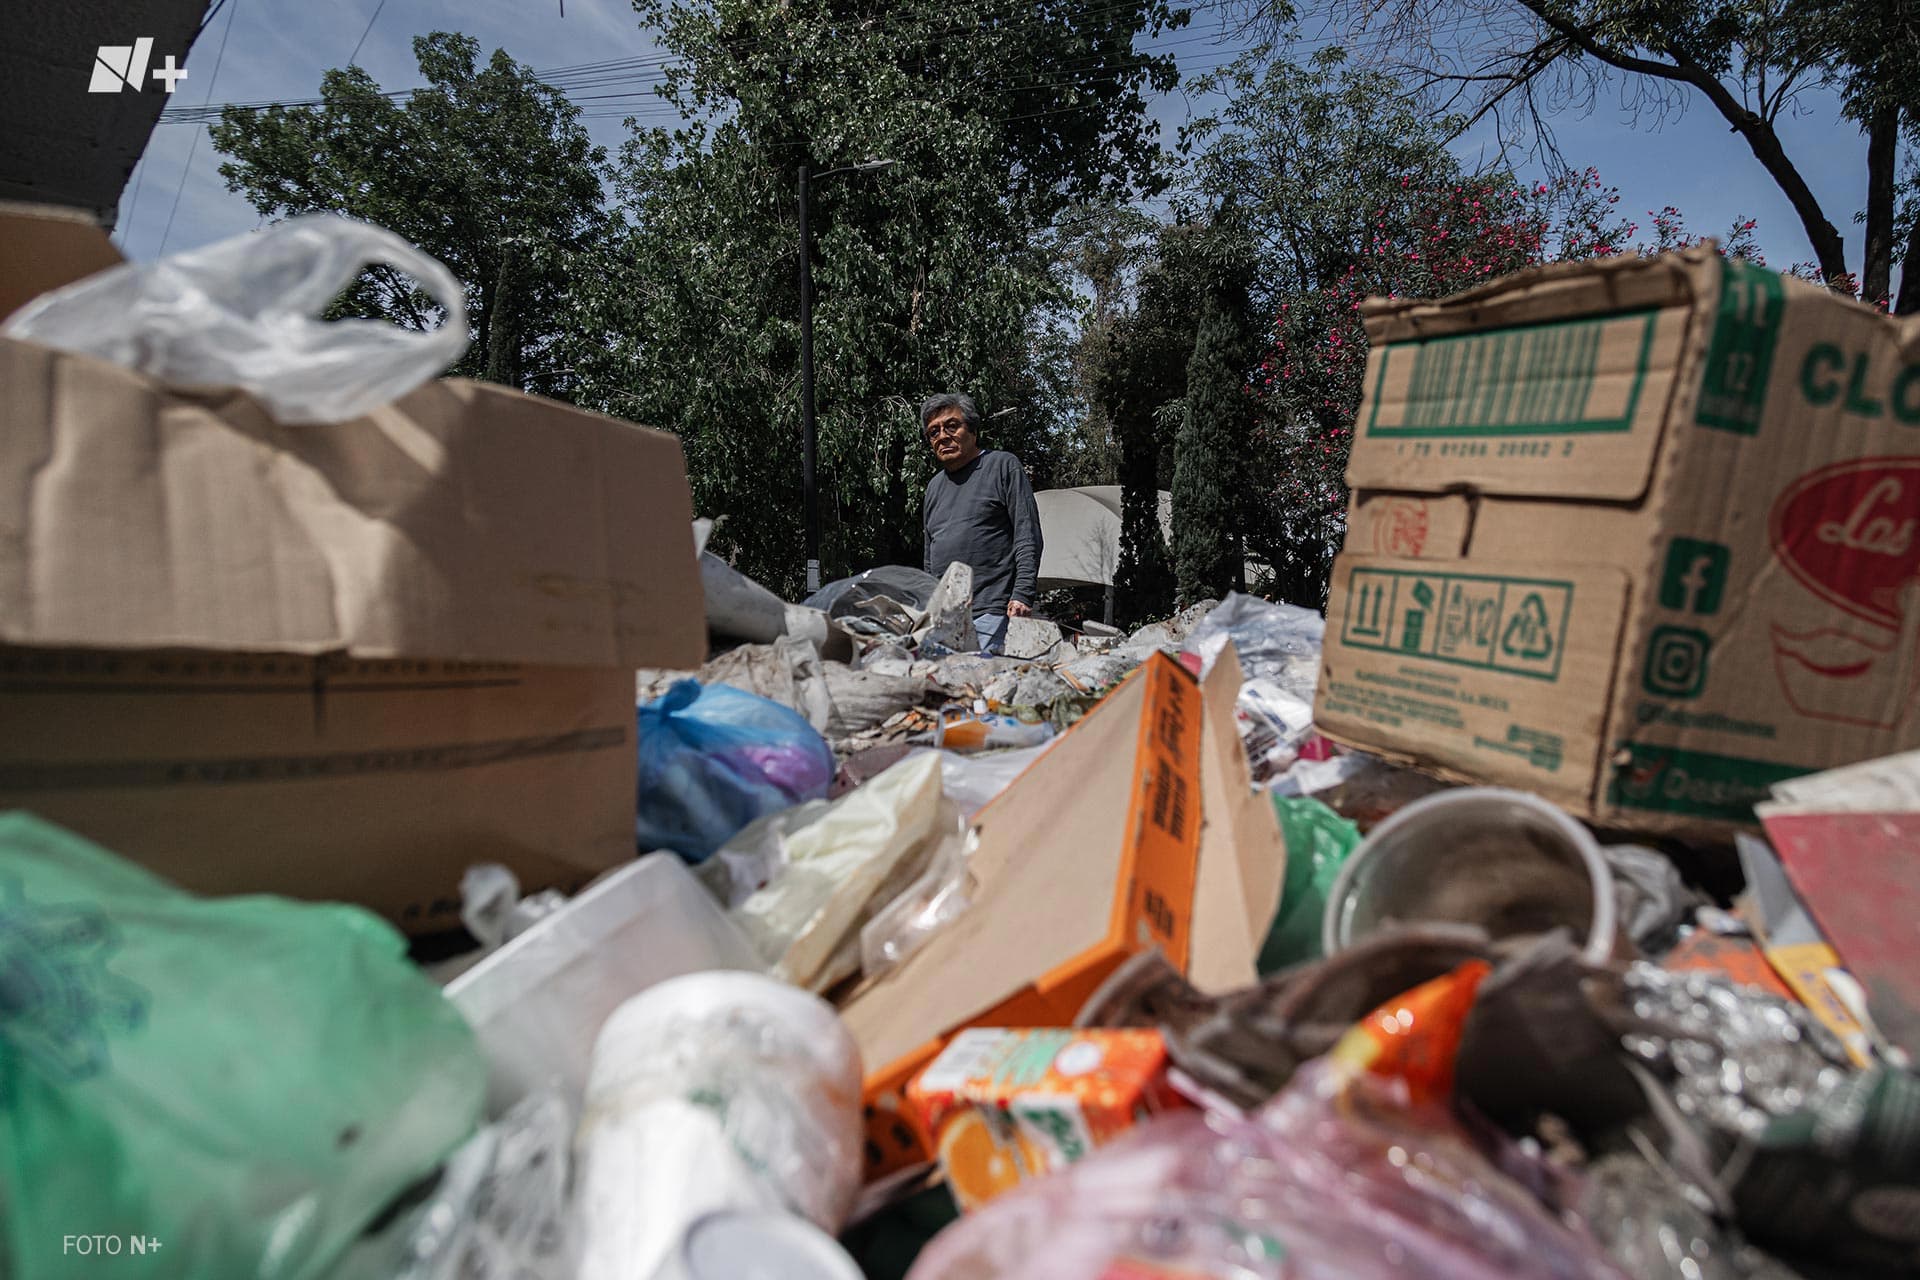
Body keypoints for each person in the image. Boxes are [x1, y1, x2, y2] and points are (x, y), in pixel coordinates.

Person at [920, 392, 1042, 655]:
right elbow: (930, 558)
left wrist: (1022, 593)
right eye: (934, 432)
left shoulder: (1002, 466)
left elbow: (1027, 534)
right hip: (947, 622)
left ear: (972, 430)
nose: (942, 436)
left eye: (952, 426)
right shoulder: (933, 488)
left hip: (993, 615)